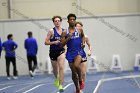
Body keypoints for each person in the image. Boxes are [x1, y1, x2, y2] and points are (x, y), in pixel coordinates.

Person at [60, 13, 85, 93]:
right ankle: (77, 88)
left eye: (73, 19)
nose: (72, 21)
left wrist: (83, 43)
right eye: (70, 19)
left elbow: (83, 36)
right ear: (68, 21)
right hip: (70, 53)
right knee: (74, 73)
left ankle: (80, 80)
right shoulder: (64, 32)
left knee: (76, 65)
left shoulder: (79, 30)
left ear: (75, 20)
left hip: (78, 51)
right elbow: (61, 44)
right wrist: (68, 38)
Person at [45, 16, 65, 92]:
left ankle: (61, 85)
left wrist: (65, 48)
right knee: (55, 70)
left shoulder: (64, 31)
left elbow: (65, 41)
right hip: (53, 52)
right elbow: (46, 42)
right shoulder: (51, 31)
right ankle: (57, 78)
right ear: (53, 22)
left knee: (61, 67)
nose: (57, 22)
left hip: (61, 51)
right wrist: (54, 42)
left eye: (58, 20)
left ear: (60, 22)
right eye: (55, 21)